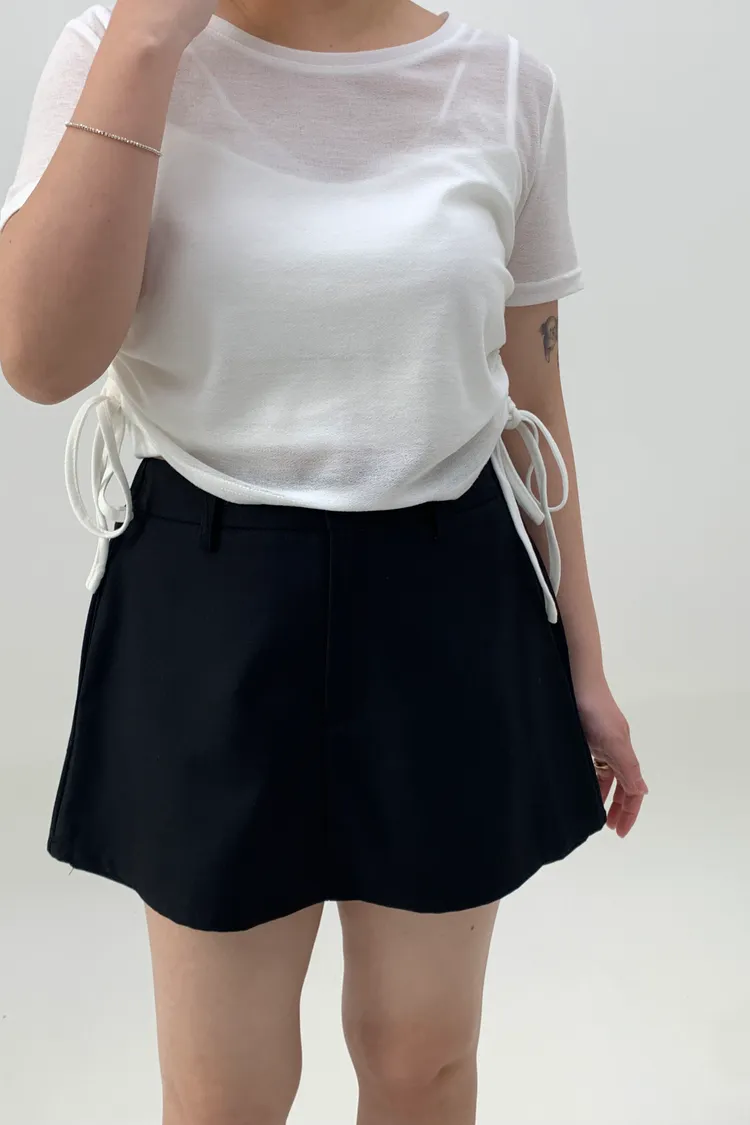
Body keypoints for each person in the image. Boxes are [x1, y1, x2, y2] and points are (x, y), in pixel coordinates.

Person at [0, 2, 649, 1123]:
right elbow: (41, 358)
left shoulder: (502, 85)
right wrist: (148, 42)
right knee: (225, 1090)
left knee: (423, 1056)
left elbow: (533, 399)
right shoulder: (114, 47)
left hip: (449, 591)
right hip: (207, 597)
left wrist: (583, 663)